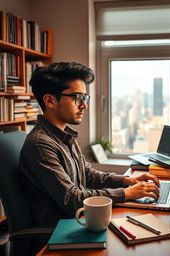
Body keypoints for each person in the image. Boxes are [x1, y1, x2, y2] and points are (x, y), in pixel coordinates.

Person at [19, 62, 160, 229]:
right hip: (61, 232)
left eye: (85, 98)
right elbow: (72, 200)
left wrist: (127, 181)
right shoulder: (40, 144)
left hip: (79, 221)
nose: (84, 105)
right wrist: (126, 193)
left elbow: (88, 174)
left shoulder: (64, 135)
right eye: (77, 98)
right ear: (50, 101)